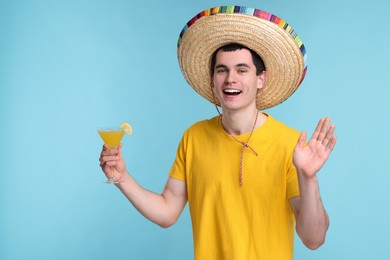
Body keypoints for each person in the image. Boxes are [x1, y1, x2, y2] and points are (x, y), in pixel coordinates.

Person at [99, 5, 337, 260]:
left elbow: (313, 239)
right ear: (213, 79)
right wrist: (122, 178)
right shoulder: (194, 137)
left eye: (242, 70)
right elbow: (167, 212)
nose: (230, 78)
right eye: (222, 70)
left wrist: (308, 177)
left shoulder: (290, 144)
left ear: (261, 79)